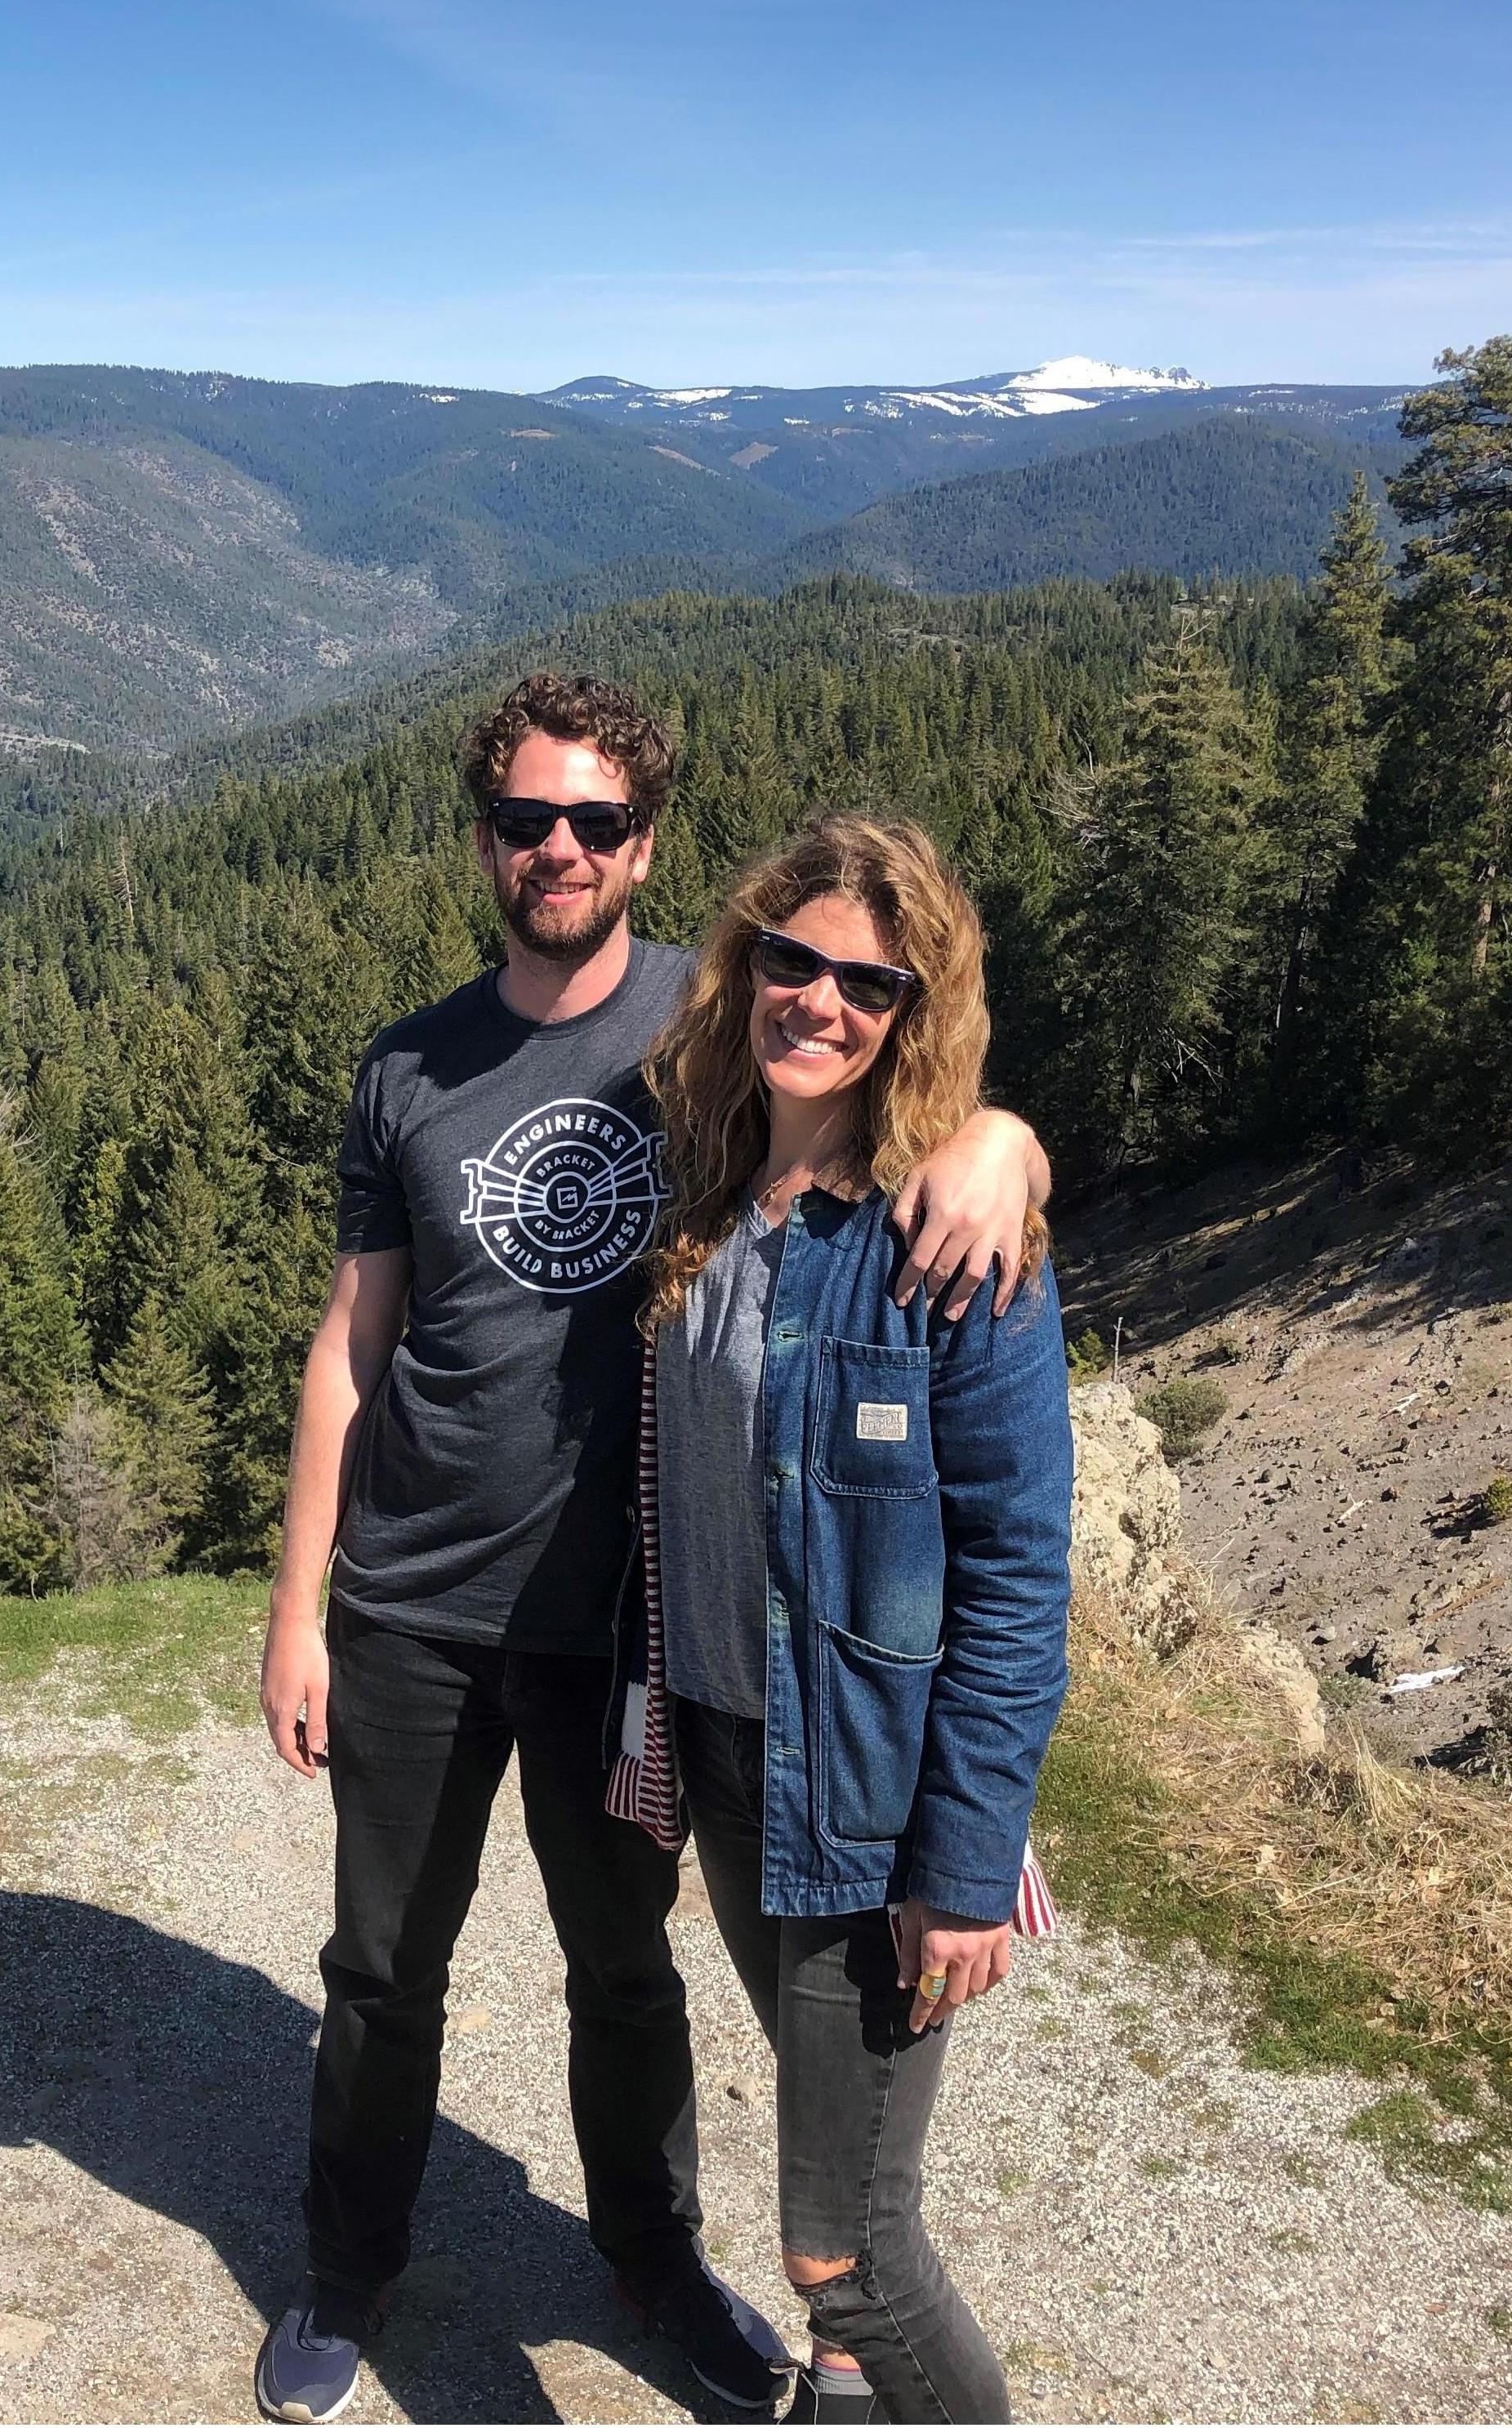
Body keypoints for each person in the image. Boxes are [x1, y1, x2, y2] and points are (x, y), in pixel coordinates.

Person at [253, 676, 1051, 2426]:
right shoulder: (413, 1066)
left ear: (646, 845)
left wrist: (1008, 1137)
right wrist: (297, 1601)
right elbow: (347, 1340)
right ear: (486, 840)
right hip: (409, 1604)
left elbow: (902, 1094)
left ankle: (651, 2256)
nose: (560, 848)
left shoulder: (708, 1029)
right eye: (530, 820)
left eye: (596, 822)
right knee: (384, 1965)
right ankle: (347, 2270)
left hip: (619, 1634)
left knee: (625, 1971)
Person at [619, 813, 1074, 2425]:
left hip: (872, 1811)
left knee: (848, 2249)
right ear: (745, 966)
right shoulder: (713, 1184)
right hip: (739, 1770)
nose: (818, 1001)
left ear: (913, 1016)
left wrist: (963, 1873)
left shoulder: (946, 1245)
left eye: (866, 986)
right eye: (792, 961)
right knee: (842, 2179)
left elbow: (1021, 1583)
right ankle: (852, 2404)